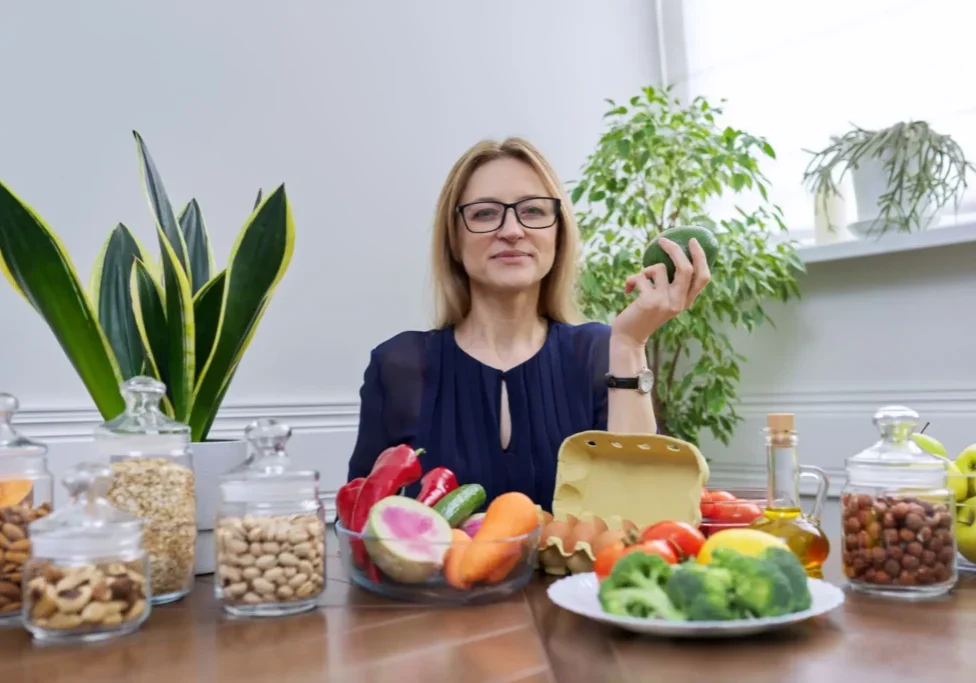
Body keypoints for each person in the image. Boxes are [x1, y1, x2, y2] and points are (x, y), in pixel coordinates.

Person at [346, 137, 711, 511]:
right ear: (454, 239)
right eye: (485, 213)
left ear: (558, 233)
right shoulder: (398, 364)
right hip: (436, 573)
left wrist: (631, 344)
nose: (511, 230)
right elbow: (361, 524)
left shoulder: (599, 352)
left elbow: (640, 513)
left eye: (533, 211)